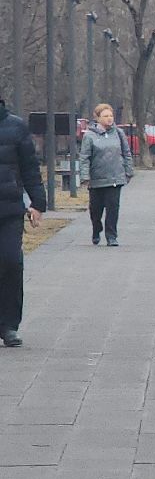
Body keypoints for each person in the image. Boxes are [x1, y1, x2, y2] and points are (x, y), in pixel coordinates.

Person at [0, 96, 47, 348]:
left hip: (8, 209)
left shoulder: (16, 127)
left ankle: (8, 325)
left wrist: (38, 203)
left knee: (11, 261)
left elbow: (30, 167)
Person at [78, 104, 134, 246]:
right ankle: (96, 229)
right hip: (96, 179)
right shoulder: (90, 136)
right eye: (105, 116)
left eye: (111, 116)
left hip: (115, 177)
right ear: (97, 118)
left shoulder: (119, 133)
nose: (109, 119)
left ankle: (111, 236)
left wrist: (128, 171)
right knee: (95, 209)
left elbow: (126, 153)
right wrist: (85, 177)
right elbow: (84, 157)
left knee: (113, 208)